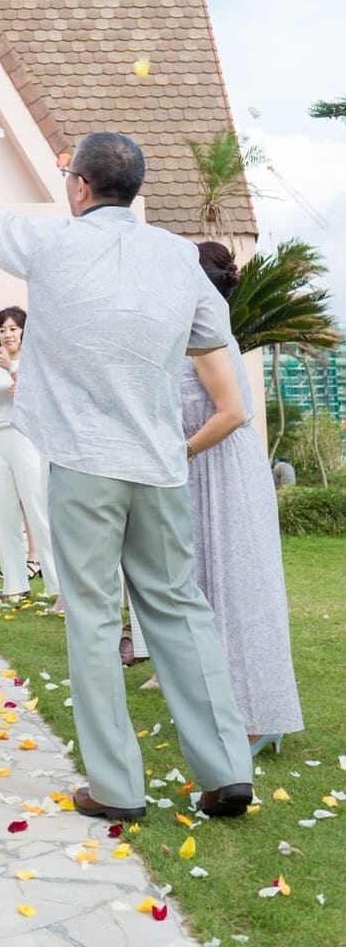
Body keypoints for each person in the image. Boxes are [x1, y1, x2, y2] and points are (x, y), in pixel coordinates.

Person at [0, 131, 254, 822]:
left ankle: (120, 789)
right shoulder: (180, 258)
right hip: (159, 463)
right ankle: (225, 771)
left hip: (84, 463)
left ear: (79, 186)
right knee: (179, 608)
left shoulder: (51, 243)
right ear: (134, 188)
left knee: (95, 620)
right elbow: (210, 340)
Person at [180, 242, 303, 753]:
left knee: (240, 591)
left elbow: (231, 413)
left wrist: (181, 449)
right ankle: (228, 707)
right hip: (198, 470)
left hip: (224, 469)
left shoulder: (212, 338)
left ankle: (259, 716)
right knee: (209, 589)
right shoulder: (186, 335)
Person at [0, 307, 59, 602]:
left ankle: (57, 585)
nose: (7, 334)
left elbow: (38, 401)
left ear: (24, 330)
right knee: (2, 512)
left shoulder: (34, 362)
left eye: (13, 328)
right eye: (3, 329)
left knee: (37, 511)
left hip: (25, 439)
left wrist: (12, 367)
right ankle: (14, 583)